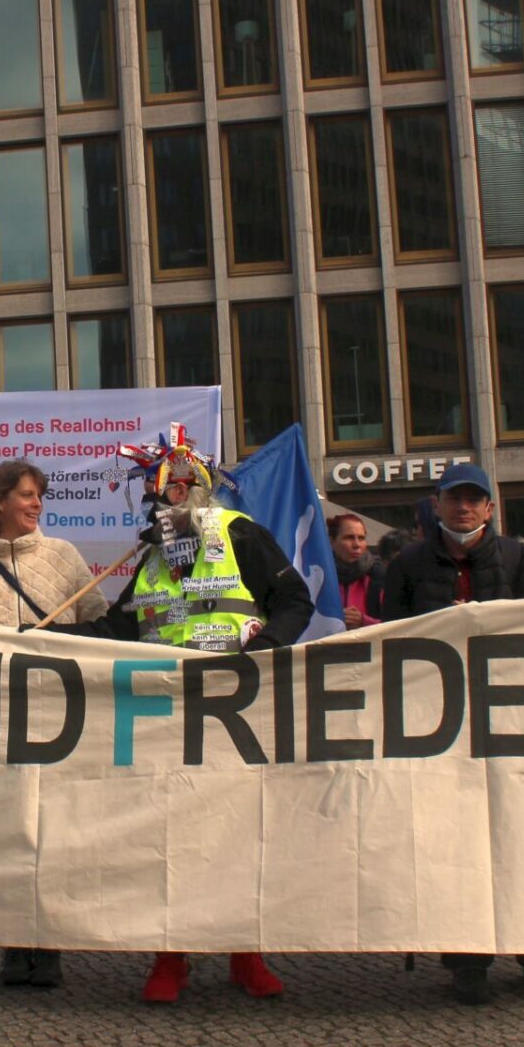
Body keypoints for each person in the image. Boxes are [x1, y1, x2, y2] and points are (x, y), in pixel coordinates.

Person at [58, 428, 313, 1005]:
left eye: (179, 488)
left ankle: (245, 952)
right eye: (160, 493)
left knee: (239, 832)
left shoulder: (240, 534)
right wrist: (35, 639)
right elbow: (114, 631)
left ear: (198, 487)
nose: (169, 500)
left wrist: (265, 652)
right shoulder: (148, 557)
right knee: (168, 835)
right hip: (165, 717)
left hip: (235, 712)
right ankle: (170, 956)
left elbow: (294, 600)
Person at [380, 464, 524, 1006]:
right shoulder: (407, 564)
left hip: (514, 720)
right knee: (454, 844)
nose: (464, 508)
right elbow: (395, 634)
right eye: (454, 499)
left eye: (474, 500)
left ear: (489, 508)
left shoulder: (520, 559)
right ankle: (467, 963)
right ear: (436, 505)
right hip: (442, 723)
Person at [0, 458, 107, 990]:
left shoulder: (64, 557)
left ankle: (50, 940)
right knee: (8, 828)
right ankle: (14, 941)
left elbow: (100, 624)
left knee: (53, 829)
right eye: (27, 495)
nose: (36, 504)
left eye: (39, 496)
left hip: (59, 716)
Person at [328, 513, 382, 630]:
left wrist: (364, 621)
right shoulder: (318, 575)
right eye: (349, 537)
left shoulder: (378, 575)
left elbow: (396, 623)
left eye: (361, 538)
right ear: (332, 541)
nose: (357, 545)